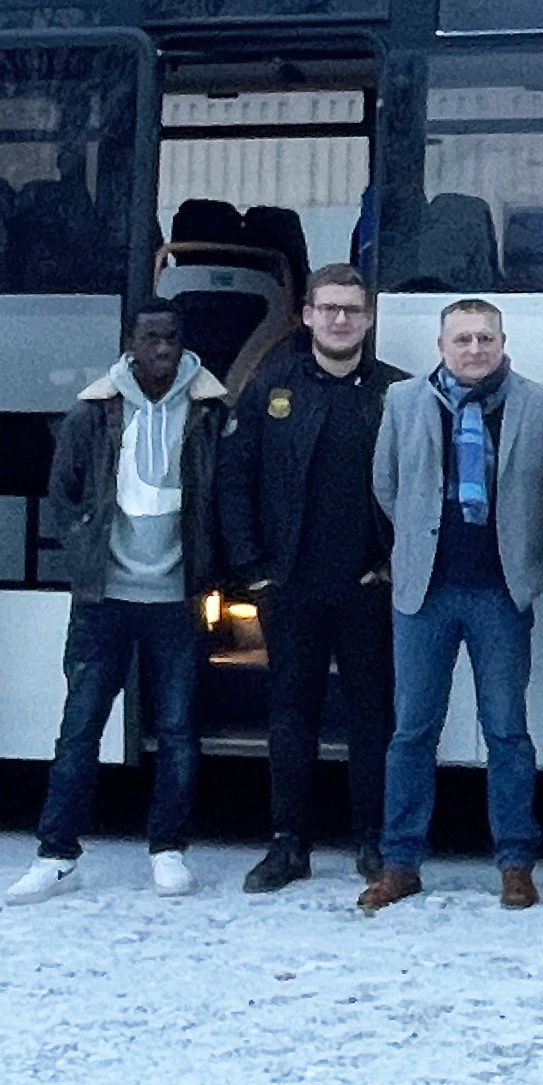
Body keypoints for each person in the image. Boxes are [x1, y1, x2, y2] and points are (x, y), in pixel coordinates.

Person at [10, 304, 230, 904]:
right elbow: (65, 491)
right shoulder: (94, 409)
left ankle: (168, 849)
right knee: (79, 729)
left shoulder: (211, 409)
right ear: (130, 343)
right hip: (102, 598)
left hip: (179, 598)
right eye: (149, 336)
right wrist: (85, 549)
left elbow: (226, 494)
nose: (162, 346)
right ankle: (56, 855)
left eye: (172, 337)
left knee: (179, 731)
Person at [359, 297, 543, 914]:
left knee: (507, 731)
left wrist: (518, 545)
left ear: (503, 342)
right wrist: (421, 536)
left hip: (501, 591)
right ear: (441, 345)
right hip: (424, 590)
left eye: (485, 338)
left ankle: (514, 863)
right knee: (412, 732)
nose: (474, 349)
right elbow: (386, 483)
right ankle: (400, 862)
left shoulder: (542, 404)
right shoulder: (404, 401)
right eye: (462, 339)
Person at [216, 265, 404, 895]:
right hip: (289, 587)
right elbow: (233, 479)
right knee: (290, 716)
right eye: (329, 309)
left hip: (368, 587)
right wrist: (253, 571)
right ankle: (287, 845)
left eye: (352, 310)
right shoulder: (270, 387)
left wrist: (393, 562)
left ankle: (373, 844)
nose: (341, 320)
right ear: (307, 315)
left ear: (369, 319)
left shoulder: (396, 395)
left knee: (372, 719)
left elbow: (423, 486)